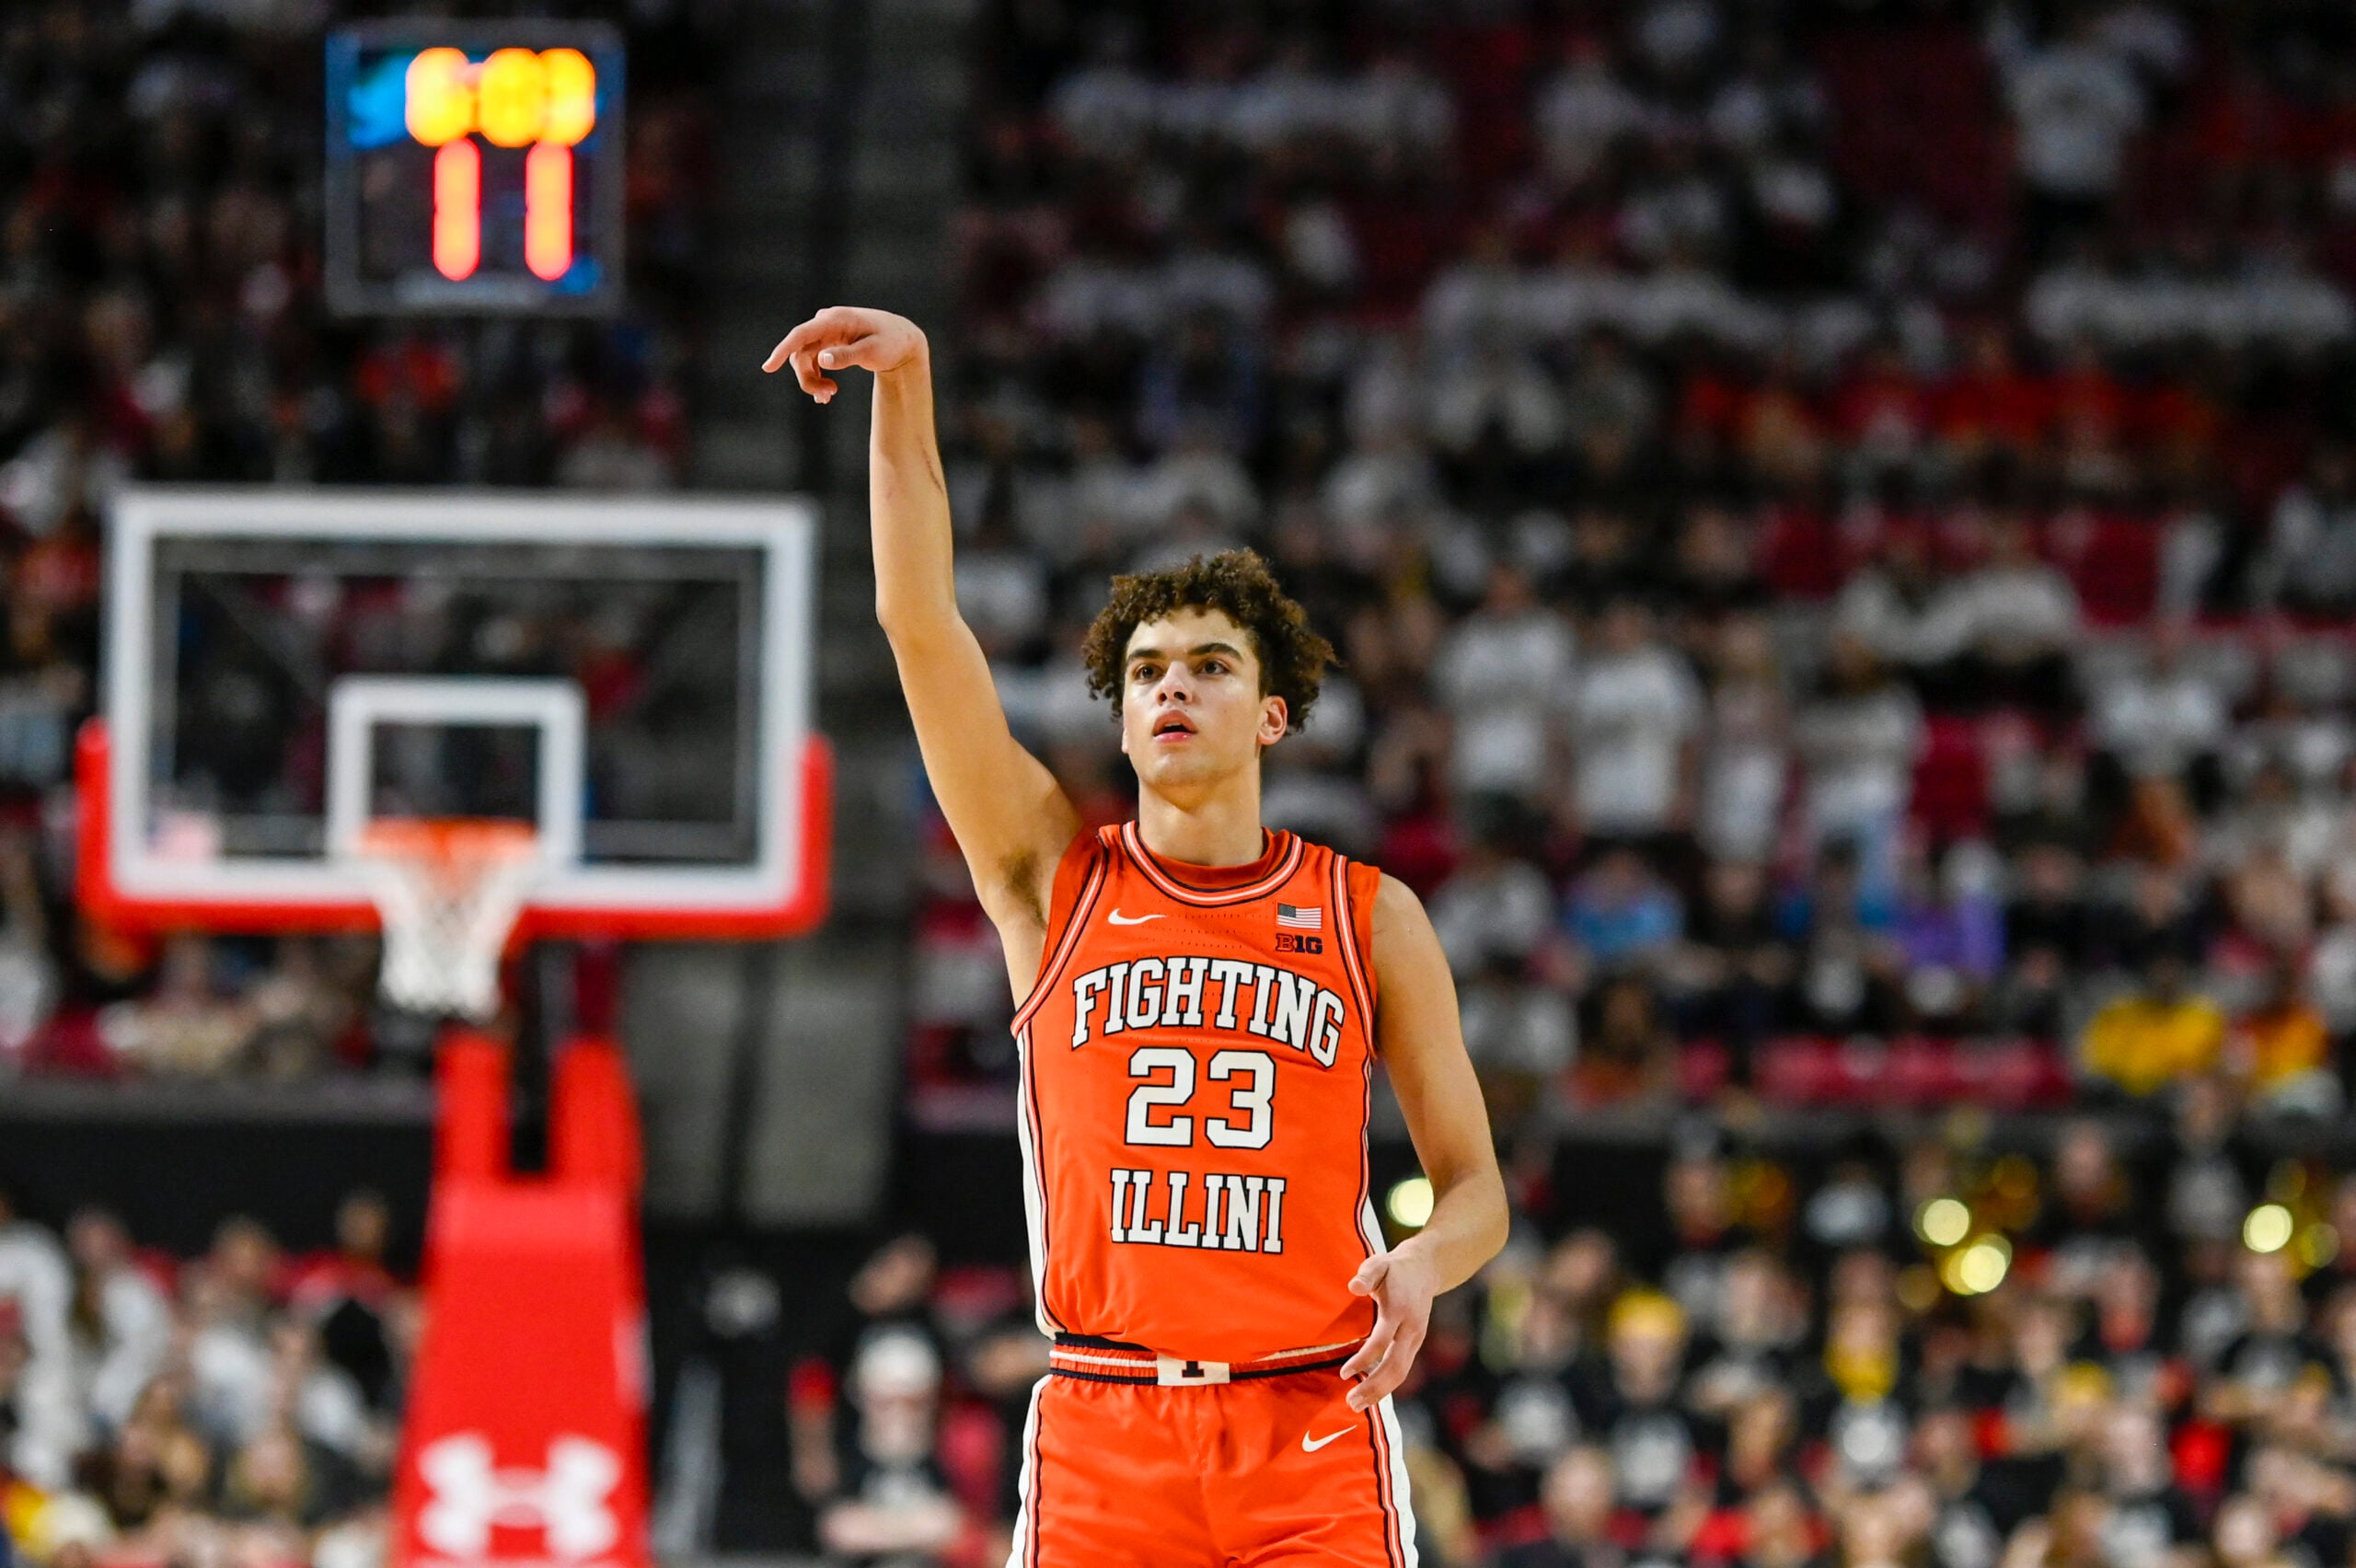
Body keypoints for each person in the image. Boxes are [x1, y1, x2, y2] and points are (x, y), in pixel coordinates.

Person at [765, 306, 1508, 1567]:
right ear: (1120, 720)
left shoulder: (1369, 912)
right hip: (1108, 1423)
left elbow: (1479, 1189)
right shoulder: (1051, 873)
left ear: (1272, 716)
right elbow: (920, 626)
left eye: (1211, 666)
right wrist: (908, 391)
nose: (1174, 686)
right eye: (1150, 669)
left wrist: (1430, 1257)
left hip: (1312, 1421)